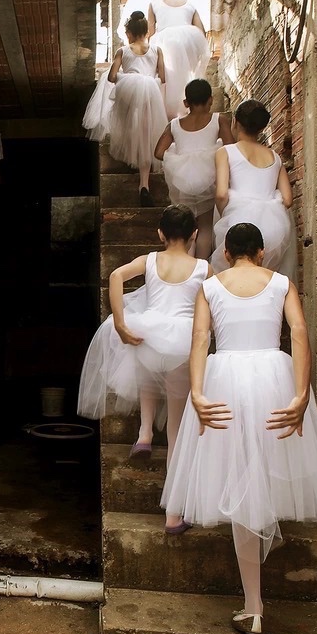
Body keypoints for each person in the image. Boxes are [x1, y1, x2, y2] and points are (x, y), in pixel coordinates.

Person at [160, 223, 317, 634]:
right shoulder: (280, 282)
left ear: (225, 253)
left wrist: (199, 394)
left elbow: (200, 339)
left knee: (241, 483)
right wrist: (301, 394)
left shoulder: (211, 286)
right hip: (273, 379)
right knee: (258, 480)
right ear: (261, 253)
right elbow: (299, 333)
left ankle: (254, 606)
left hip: (225, 381)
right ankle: (254, 604)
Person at [78, 205, 212, 534]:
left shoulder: (150, 260)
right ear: (195, 234)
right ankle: (173, 515)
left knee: (148, 370)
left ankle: (144, 433)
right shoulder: (203, 268)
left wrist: (121, 324)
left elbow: (115, 276)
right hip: (182, 343)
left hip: (150, 335)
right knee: (178, 432)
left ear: (160, 234)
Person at [83, 11, 168, 206]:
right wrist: (146, 80)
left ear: (129, 32)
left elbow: (112, 77)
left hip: (129, 96)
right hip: (150, 95)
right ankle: (144, 184)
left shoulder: (123, 51)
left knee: (131, 130)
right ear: (146, 31)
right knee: (147, 137)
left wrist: (128, 77)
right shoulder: (157, 50)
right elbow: (163, 77)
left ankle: (132, 161)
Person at [210, 100, 298, 280]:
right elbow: (288, 199)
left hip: (238, 223)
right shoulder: (275, 156)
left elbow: (221, 193)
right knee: (263, 279)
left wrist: (226, 214)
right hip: (274, 227)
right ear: (261, 128)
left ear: (235, 122)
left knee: (234, 278)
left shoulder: (226, 152)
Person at [155, 79, 235, 260]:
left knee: (186, 223)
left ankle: (186, 262)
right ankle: (200, 263)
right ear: (211, 100)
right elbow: (231, 147)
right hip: (208, 177)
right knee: (205, 225)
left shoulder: (174, 124)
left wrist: (179, 159)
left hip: (183, 178)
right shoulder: (218, 120)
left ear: (186, 103)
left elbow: (159, 152)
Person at [147, 0, 210, 120]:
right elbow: (201, 30)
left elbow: (150, 31)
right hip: (189, 39)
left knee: (169, 77)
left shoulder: (154, 2)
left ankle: (171, 112)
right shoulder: (189, 4)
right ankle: (188, 106)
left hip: (166, 41)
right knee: (186, 74)